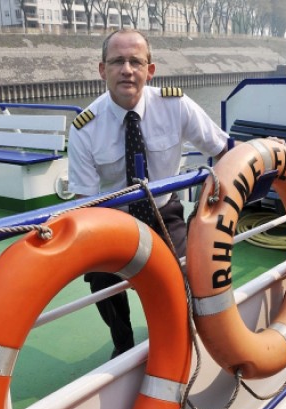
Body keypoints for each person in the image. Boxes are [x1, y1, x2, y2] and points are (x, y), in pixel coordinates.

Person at [68, 28, 230, 358]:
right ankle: (123, 341)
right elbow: (86, 201)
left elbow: (223, 147)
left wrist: (265, 151)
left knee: (190, 272)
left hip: (163, 211)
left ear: (149, 70)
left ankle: (180, 332)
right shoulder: (85, 127)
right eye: (117, 62)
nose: (126, 70)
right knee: (100, 279)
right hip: (113, 220)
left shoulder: (176, 105)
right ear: (102, 70)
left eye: (135, 61)